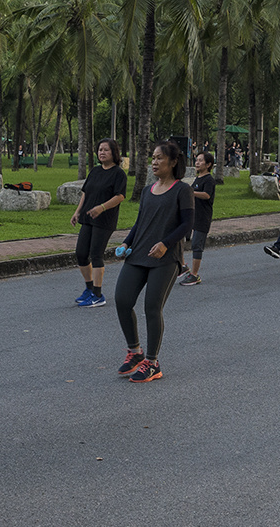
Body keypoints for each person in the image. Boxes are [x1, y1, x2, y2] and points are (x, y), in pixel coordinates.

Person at [110, 142, 195, 382]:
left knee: (151, 307)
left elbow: (187, 224)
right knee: (122, 299)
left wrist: (166, 244)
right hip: (138, 254)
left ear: (173, 162)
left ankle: (152, 362)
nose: (154, 162)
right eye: (153, 158)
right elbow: (140, 222)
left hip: (166, 258)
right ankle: (134, 352)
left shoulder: (182, 190)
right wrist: (127, 243)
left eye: (159, 158)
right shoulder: (148, 190)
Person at [71, 139, 128, 308]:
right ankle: (89, 289)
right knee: (81, 253)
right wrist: (77, 212)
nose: (102, 152)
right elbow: (85, 193)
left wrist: (102, 208)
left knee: (96, 254)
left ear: (114, 153)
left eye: (106, 150)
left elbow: (120, 196)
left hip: (104, 220)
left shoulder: (118, 174)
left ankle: (98, 294)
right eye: (100, 150)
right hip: (88, 217)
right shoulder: (95, 171)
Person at [181, 151, 218, 286]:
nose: (197, 162)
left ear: (208, 164)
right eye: (197, 160)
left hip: (203, 217)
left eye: (201, 160)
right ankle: (183, 265)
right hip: (192, 216)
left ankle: (195, 275)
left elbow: (207, 195)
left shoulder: (209, 180)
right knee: (180, 238)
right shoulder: (197, 179)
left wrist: (191, 192)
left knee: (197, 245)